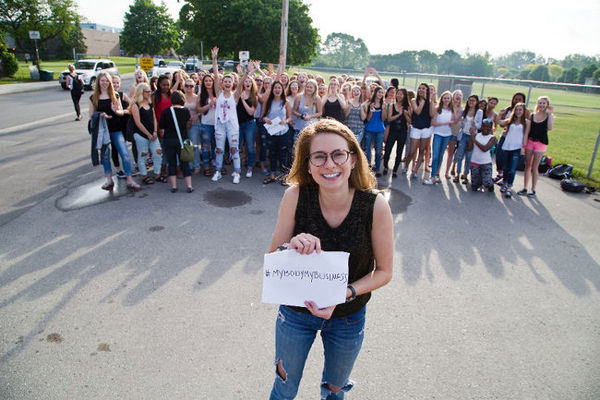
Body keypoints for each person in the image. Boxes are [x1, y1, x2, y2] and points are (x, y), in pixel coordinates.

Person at [268, 118, 393, 400]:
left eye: (338, 154)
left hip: (348, 317)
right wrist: (290, 246)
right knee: (285, 386)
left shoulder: (375, 205)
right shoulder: (295, 196)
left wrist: (344, 293)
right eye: (319, 157)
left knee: (335, 391)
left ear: (353, 159)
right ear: (307, 164)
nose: (329, 164)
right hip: (296, 314)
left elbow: (384, 271)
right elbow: (273, 257)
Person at [88, 71, 140, 191]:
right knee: (105, 156)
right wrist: (101, 115)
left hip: (116, 129)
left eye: (107, 81)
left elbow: (121, 112)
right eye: (102, 80)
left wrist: (116, 111)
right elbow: (91, 115)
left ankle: (129, 179)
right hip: (102, 131)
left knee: (124, 153)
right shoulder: (93, 97)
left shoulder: (115, 95)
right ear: (98, 82)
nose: (105, 83)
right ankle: (109, 179)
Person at [210, 46, 244, 184]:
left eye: (230, 81)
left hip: (232, 125)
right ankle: (218, 171)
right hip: (220, 124)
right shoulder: (218, 93)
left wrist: (245, 72)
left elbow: (241, 84)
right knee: (219, 149)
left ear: (232, 83)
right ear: (222, 84)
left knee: (234, 149)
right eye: (225, 81)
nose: (228, 83)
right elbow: (216, 75)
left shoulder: (234, 96)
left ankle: (237, 172)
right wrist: (214, 59)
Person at [518, 96, 554, 197]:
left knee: (535, 167)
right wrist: (524, 145)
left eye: (544, 103)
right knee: (527, 166)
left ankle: (533, 189)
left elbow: (550, 127)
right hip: (530, 142)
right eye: (540, 103)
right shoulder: (532, 115)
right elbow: (527, 131)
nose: (541, 105)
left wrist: (550, 114)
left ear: (547, 105)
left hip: (541, 143)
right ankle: (525, 187)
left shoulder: (549, 116)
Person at [159, 91, 194, 193]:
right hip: (182, 140)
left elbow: (161, 126)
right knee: (184, 163)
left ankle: (174, 186)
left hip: (169, 140)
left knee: (171, 163)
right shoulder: (186, 111)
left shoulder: (166, 111)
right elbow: (188, 125)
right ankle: (189, 186)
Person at [130, 83, 162, 185]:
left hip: (153, 133)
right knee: (143, 155)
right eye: (147, 91)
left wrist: (155, 131)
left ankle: (157, 173)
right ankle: (144, 175)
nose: (149, 93)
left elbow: (154, 118)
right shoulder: (135, 105)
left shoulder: (149, 103)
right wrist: (148, 134)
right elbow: (138, 123)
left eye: (150, 91)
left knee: (158, 153)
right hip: (141, 134)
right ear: (141, 92)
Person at [261, 80, 292, 184]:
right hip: (272, 132)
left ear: (282, 89)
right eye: (275, 88)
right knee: (272, 153)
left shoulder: (286, 102)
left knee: (283, 154)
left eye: (279, 88)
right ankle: (272, 174)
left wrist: (285, 121)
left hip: (283, 132)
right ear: (272, 90)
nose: (277, 90)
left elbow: (289, 117)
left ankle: (284, 175)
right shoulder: (268, 101)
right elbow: (262, 116)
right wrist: (265, 119)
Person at [498, 102, 530, 198]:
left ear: (524, 111)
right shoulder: (511, 120)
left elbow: (525, 136)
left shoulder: (526, 122)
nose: (518, 111)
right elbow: (500, 122)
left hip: (517, 148)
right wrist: (500, 114)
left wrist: (523, 148)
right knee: (506, 168)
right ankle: (504, 184)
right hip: (507, 146)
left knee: (512, 169)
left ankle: (509, 187)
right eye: (517, 109)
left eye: (520, 110)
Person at [406, 83, 434, 180]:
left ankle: (415, 171)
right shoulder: (414, 100)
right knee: (412, 151)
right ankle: (406, 166)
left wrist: (430, 101)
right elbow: (417, 111)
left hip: (426, 129)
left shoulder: (429, 102)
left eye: (423, 89)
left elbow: (432, 114)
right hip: (416, 128)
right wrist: (422, 101)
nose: (421, 90)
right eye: (420, 88)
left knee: (422, 150)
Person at [426, 90, 455, 184]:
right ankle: (432, 176)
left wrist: (452, 124)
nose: (446, 100)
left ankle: (435, 175)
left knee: (440, 156)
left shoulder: (452, 110)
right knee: (435, 156)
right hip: (438, 134)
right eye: (445, 98)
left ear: (451, 99)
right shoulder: (438, 109)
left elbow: (453, 122)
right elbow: (433, 123)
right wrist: (445, 123)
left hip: (447, 135)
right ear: (442, 99)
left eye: (448, 98)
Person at [453, 94, 483, 185]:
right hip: (464, 135)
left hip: (472, 137)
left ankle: (465, 175)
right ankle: (457, 174)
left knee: (469, 157)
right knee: (460, 156)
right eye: (470, 100)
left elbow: (479, 125)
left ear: (476, 102)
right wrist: (462, 122)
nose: (471, 102)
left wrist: (474, 124)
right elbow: (461, 125)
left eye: (473, 101)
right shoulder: (465, 111)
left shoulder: (479, 112)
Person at [383, 87, 410, 178]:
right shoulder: (392, 105)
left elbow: (410, 121)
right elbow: (389, 119)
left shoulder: (407, 107)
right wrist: (399, 114)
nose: (399, 96)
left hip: (402, 131)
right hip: (393, 131)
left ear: (404, 96)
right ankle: (385, 167)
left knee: (399, 151)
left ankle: (395, 170)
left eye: (401, 94)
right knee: (388, 149)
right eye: (398, 94)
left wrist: (405, 114)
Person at [363, 85, 386, 176]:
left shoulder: (383, 104)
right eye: (379, 92)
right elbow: (368, 119)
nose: (380, 94)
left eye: (382, 93)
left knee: (378, 149)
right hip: (369, 129)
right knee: (368, 148)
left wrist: (383, 109)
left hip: (379, 129)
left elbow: (383, 119)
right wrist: (371, 110)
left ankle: (378, 168)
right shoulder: (370, 103)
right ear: (375, 93)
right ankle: (368, 166)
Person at [468, 119, 496, 192]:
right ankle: (479, 181)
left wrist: (474, 140)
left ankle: (490, 184)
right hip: (475, 162)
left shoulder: (492, 138)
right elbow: (469, 148)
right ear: (481, 127)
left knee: (487, 183)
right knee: (474, 187)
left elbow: (485, 149)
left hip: (486, 163)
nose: (486, 128)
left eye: (488, 127)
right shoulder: (476, 135)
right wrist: (471, 137)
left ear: (491, 128)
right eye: (484, 126)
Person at [444, 90, 463, 179]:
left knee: (450, 153)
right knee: (441, 152)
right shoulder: (447, 105)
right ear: (453, 96)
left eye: (460, 95)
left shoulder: (461, 109)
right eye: (456, 94)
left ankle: (446, 172)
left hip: (454, 133)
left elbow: (455, 120)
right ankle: (437, 171)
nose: (458, 96)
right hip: (444, 131)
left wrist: (454, 108)